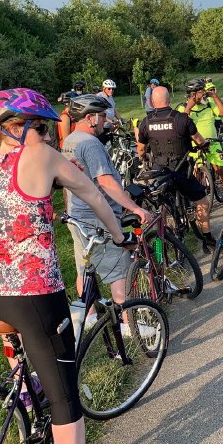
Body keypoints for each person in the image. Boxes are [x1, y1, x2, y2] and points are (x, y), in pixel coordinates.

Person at [0, 88, 136, 444]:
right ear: (18, 128)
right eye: (42, 128)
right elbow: (93, 196)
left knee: (24, 343)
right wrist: (120, 236)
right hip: (32, 295)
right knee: (65, 398)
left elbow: (4, 217)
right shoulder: (43, 155)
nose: (47, 137)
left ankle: (24, 395)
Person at [62, 94, 151, 316]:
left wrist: (68, 208)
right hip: (98, 217)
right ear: (90, 117)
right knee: (118, 269)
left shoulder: (70, 141)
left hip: (77, 215)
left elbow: (66, 183)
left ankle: (89, 317)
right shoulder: (91, 144)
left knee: (85, 267)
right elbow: (107, 182)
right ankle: (127, 323)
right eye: (101, 116)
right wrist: (135, 208)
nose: (105, 121)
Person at [136, 86, 217, 254]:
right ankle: (208, 239)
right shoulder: (181, 119)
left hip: (160, 172)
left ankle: (161, 246)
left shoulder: (146, 122)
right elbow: (198, 139)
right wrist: (204, 146)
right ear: (169, 100)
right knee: (201, 201)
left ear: (152, 102)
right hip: (181, 170)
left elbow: (141, 149)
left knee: (161, 207)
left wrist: (144, 158)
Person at [180, 78, 223, 202]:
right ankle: (199, 199)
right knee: (195, 174)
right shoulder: (183, 108)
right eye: (201, 91)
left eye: (204, 90)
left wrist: (214, 96)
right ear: (192, 95)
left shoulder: (208, 103)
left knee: (222, 171)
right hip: (195, 145)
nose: (204, 93)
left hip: (213, 143)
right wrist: (189, 107)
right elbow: (182, 124)